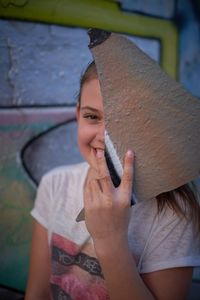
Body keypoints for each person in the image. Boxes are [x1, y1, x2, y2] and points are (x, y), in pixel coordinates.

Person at [25, 61, 200, 300]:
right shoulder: (54, 185)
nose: (105, 138)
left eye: (124, 123)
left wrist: (109, 239)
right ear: (78, 116)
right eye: (92, 116)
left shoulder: (173, 214)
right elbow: (37, 293)